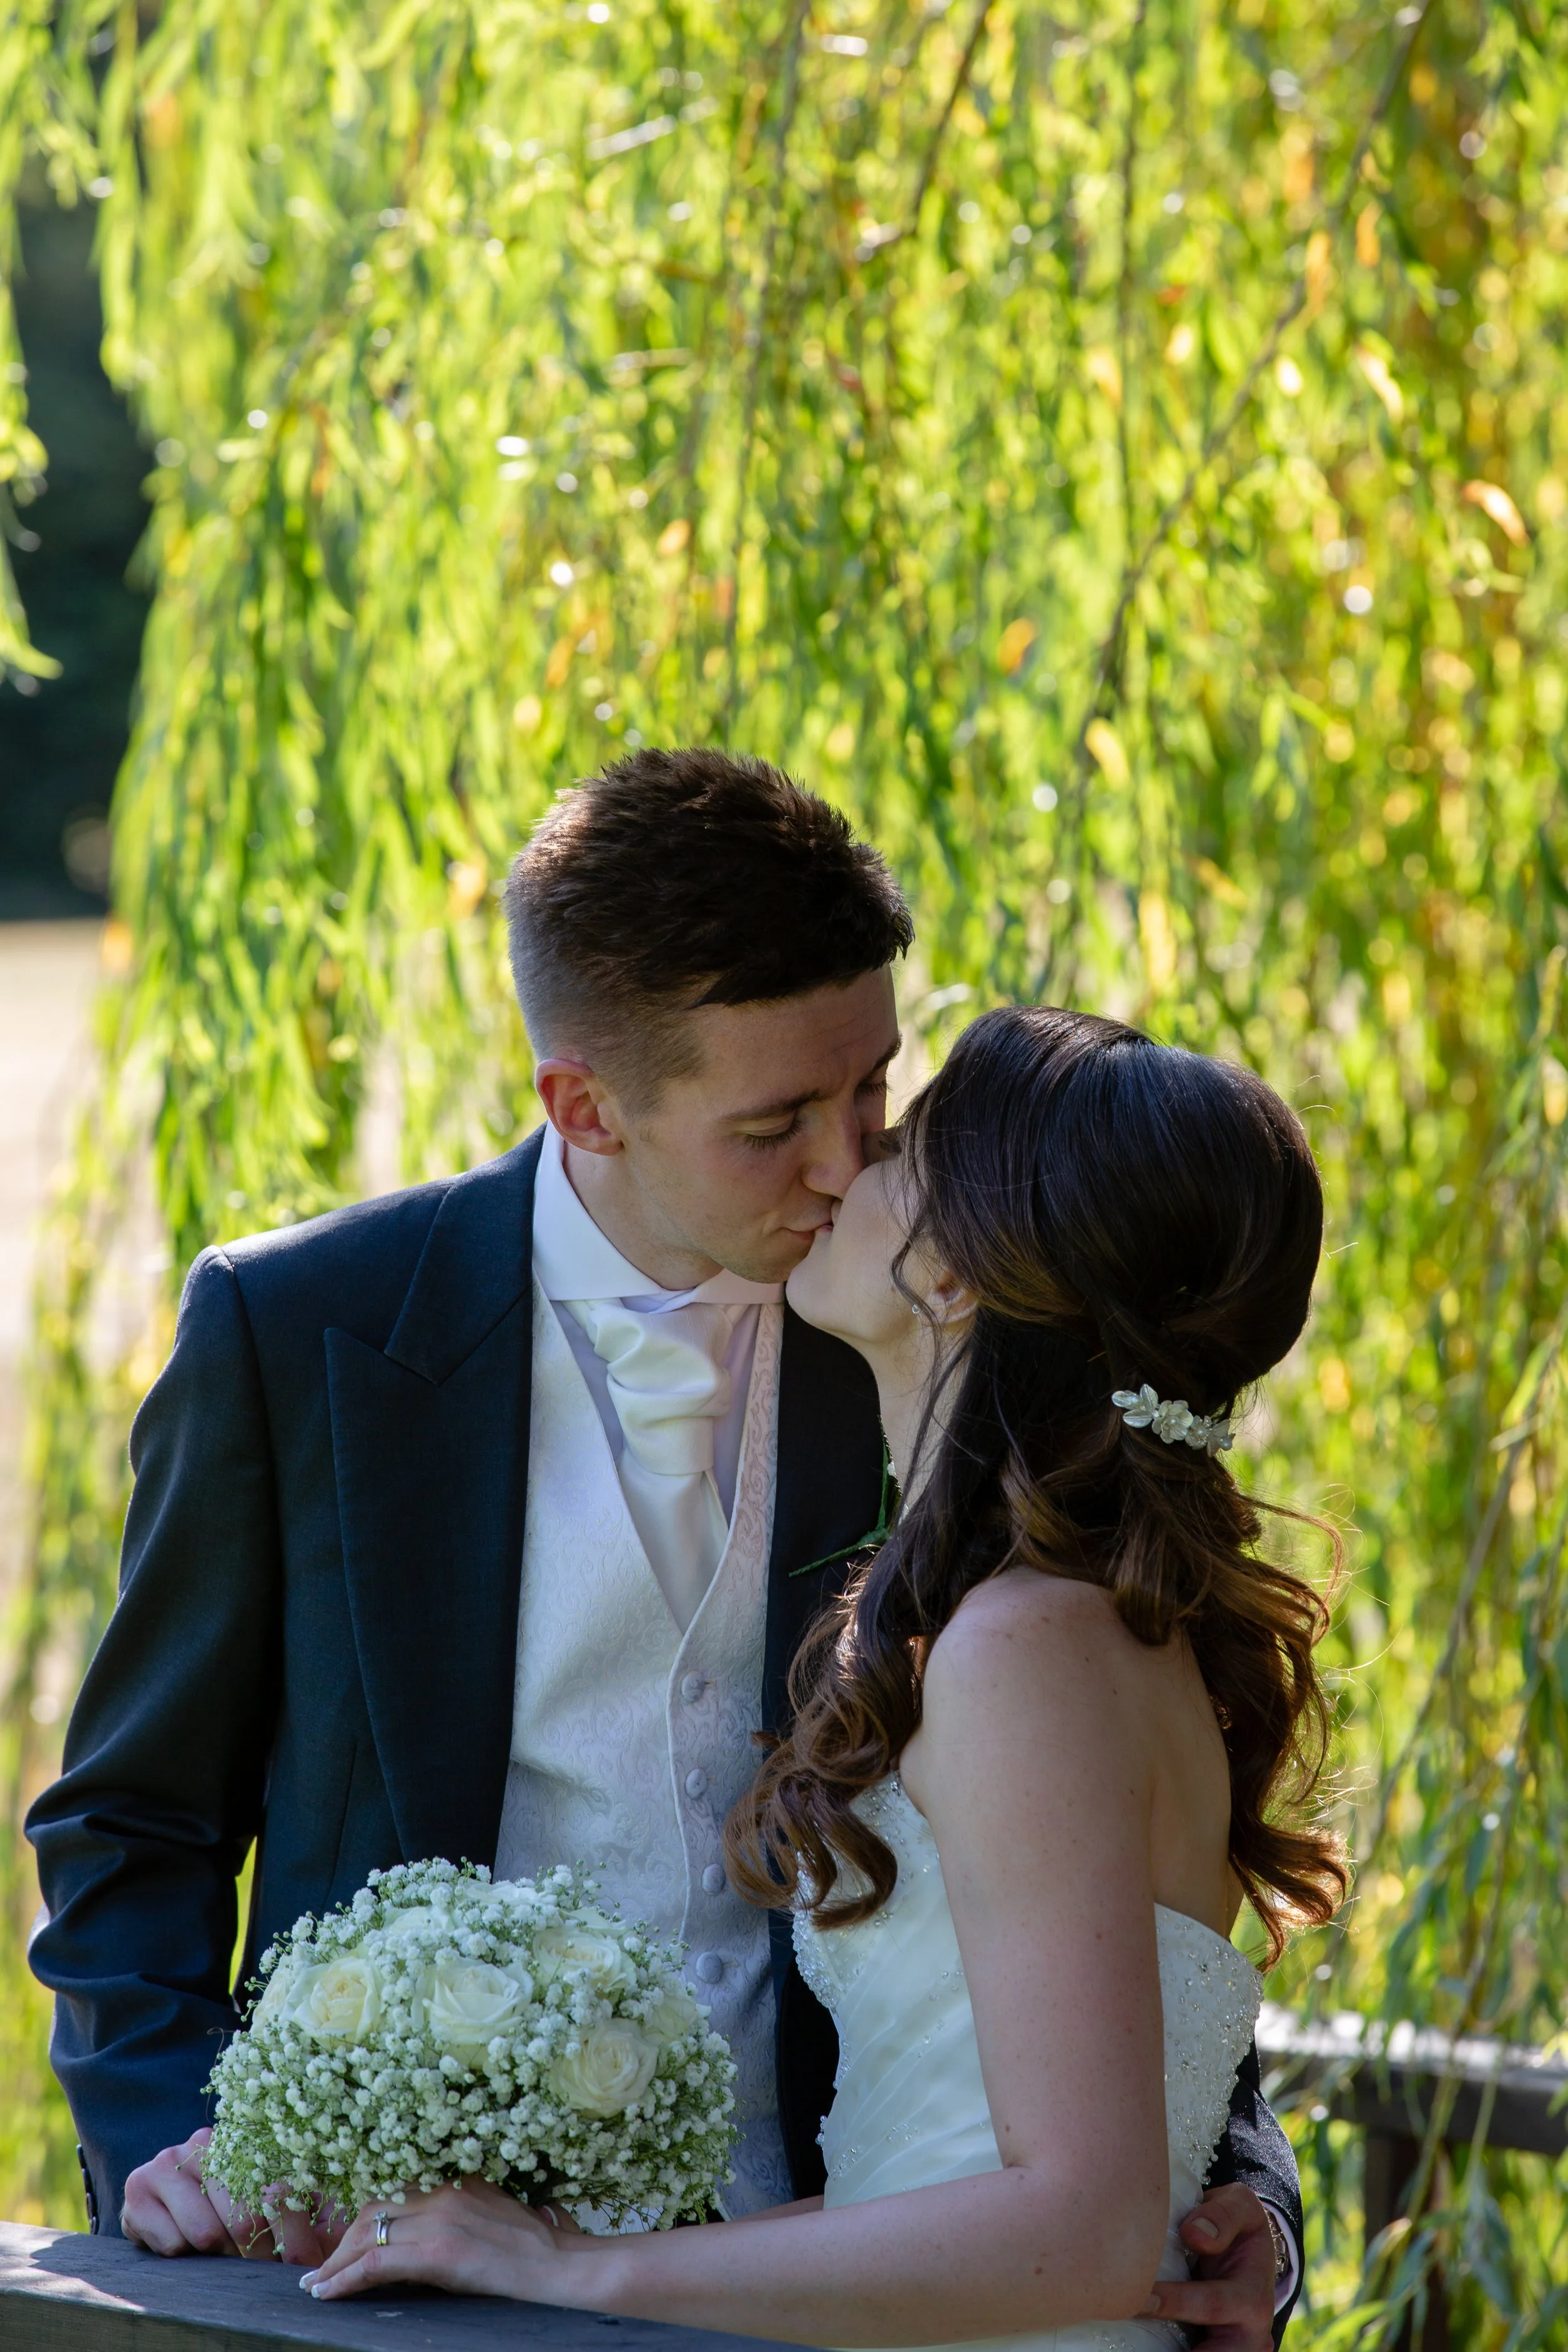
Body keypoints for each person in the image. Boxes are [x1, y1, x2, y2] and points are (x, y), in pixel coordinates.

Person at [27, 754, 1301, 2346]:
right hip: (402, 2292)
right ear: (586, 1106)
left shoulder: (927, 1329)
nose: (846, 1162)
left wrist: (1235, 2188)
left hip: (869, 2280)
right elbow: (131, 1825)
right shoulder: (302, 1335)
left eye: (872, 1090)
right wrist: (181, 2150)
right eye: (776, 1123)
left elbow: (1101, 1892)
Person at [300, 1005, 1345, 2346]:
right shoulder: (1065, 1624)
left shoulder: (1024, 1651)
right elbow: (925, 2180)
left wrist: (573, 2273)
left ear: (957, 1272)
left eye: (900, 1143)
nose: (846, 1167)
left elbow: (1078, 2230)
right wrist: (550, 2250)